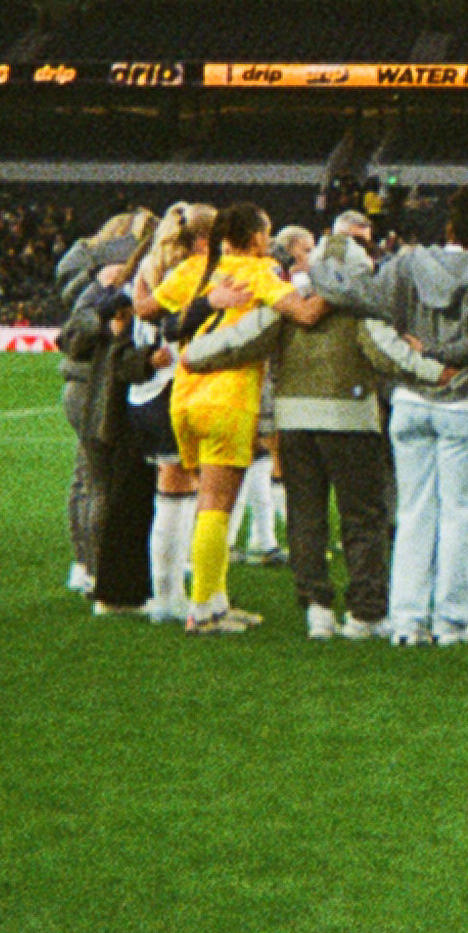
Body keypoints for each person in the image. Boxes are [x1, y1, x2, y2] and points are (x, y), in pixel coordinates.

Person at [183, 208, 449, 639]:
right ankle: (365, 615)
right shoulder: (362, 306)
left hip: (295, 426)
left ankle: (317, 612)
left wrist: (195, 355)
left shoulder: (290, 302)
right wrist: (438, 372)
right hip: (351, 422)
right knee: (362, 519)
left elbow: (242, 336)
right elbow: (388, 355)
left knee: (306, 518)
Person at [306, 182, 468, 646]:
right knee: (460, 516)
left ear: (450, 227)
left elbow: (363, 299)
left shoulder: (409, 263)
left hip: (411, 400)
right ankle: (451, 621)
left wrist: (317, 269)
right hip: (466, 402)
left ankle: (407, 620)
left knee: (414, 512)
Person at [162, 202, 328, 634]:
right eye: (266, 231)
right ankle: (203, 608)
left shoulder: (195, 270)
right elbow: (305, 313)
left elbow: (150, 309)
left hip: (184, 394)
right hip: (227, 397)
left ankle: (214, 601)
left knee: (206, 504)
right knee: (216, 507)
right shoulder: (259, 271)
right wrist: (343, 285)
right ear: (255, 237)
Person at [54, 207, 155, 593]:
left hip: (77, 382)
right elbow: (87, 332)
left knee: (86, 478)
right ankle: (100, 568)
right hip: (100, 383)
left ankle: (84, 564)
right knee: (102, 482)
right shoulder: (116, 277)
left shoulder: (83, 274)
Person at [131, 202, 215, 623]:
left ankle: (170, 585)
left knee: (176, 491)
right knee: (179, 493)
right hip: (173, 389)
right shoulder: (195, 271)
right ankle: (167, 595)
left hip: (143, 393)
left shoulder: (148, 266)